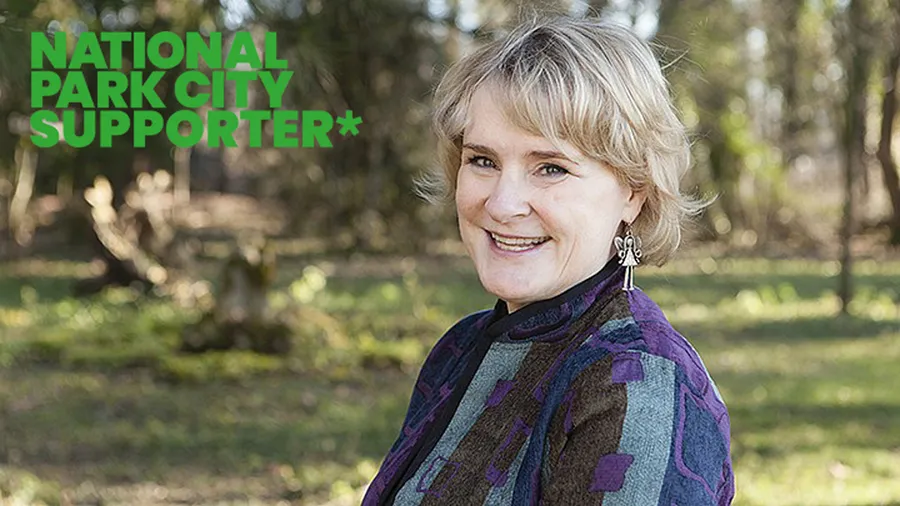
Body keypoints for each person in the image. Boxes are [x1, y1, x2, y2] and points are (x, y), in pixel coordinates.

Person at [363, 15, 734, 506]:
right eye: (483, 161)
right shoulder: (459, 348)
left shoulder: (635, 382)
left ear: (633, 193)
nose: (502, 204)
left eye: (551, 168)